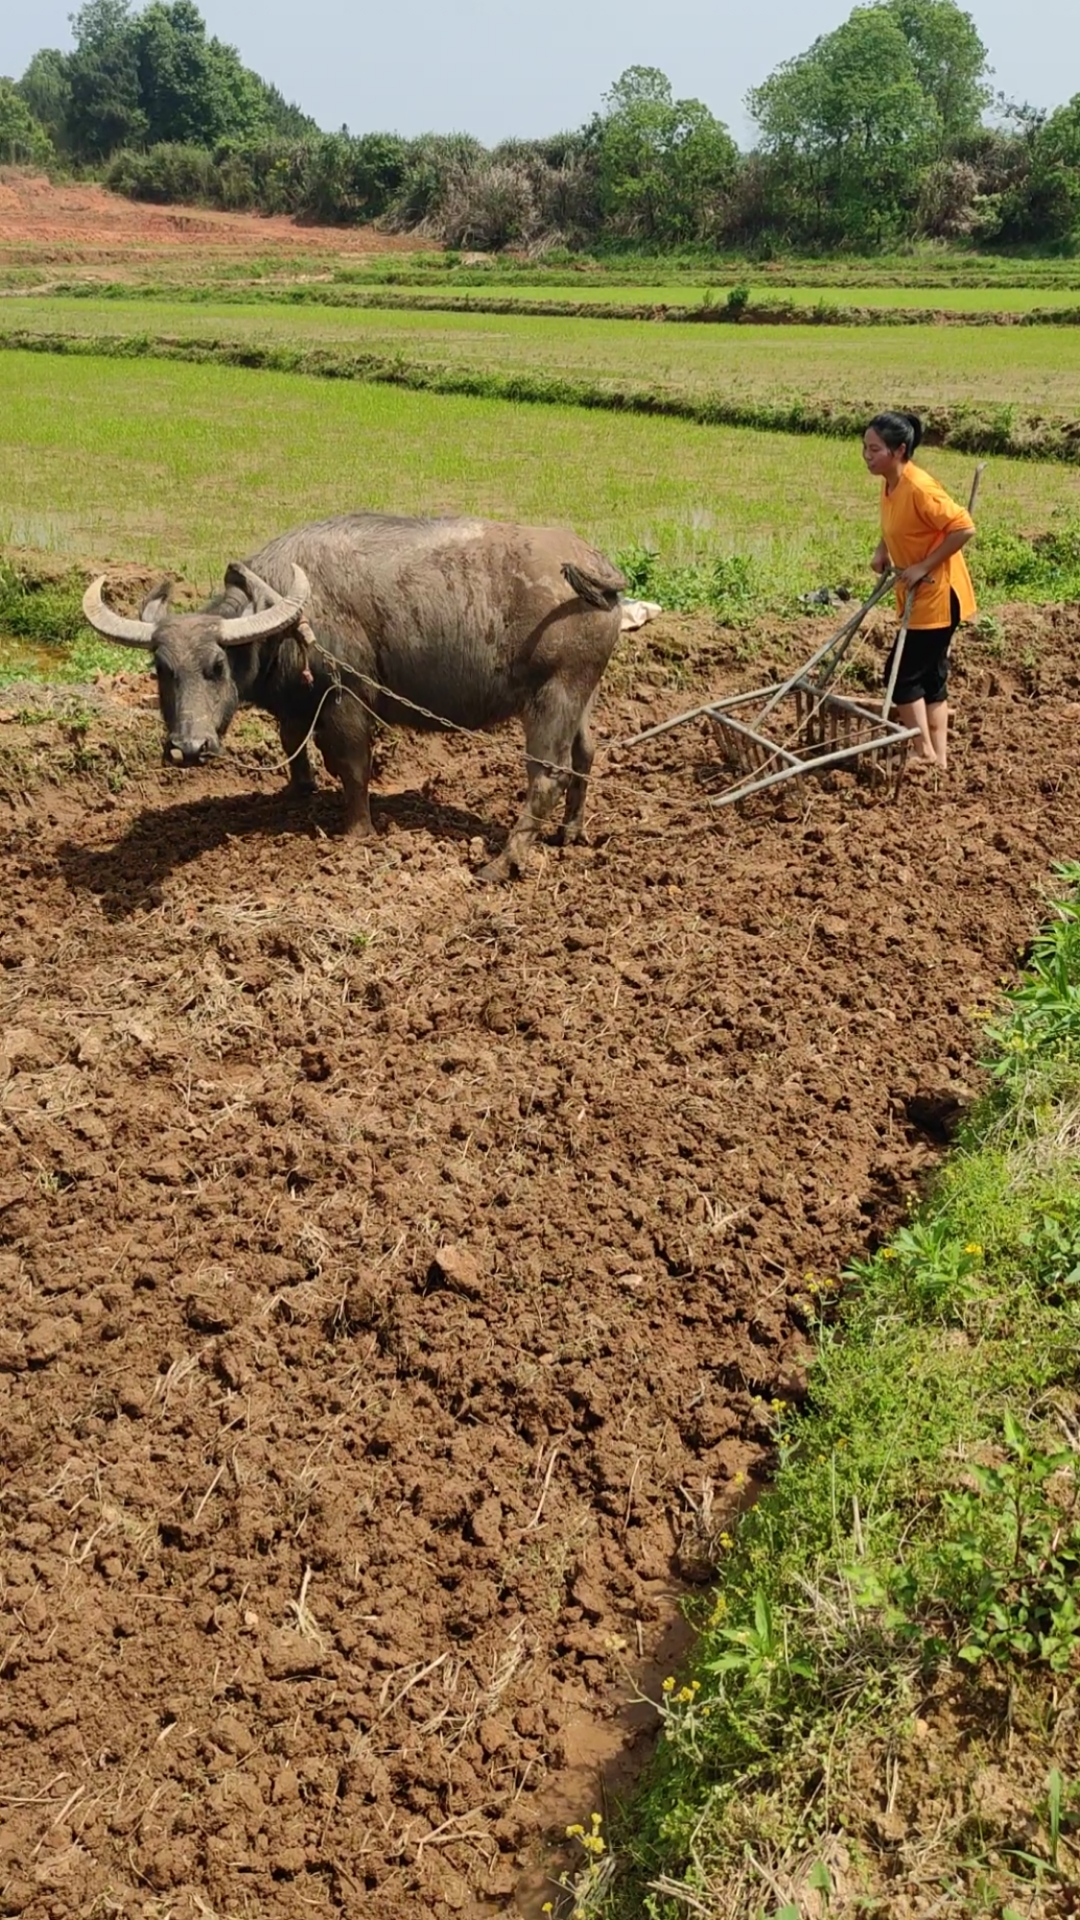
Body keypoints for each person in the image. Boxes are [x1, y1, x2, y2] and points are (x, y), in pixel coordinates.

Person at [863, 410, 976, 771]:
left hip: (938, 595)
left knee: (901, 678)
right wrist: (884, 549)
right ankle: (938, 759)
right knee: (930, 678)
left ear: (898, 451)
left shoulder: (920, 487)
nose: (867, 455)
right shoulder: (890, 483)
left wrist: (924, 565)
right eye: (865, 448)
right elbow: (897, 523)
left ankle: (921, 750)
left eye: (874, 449)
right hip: (923, 595)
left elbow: (963, 527)